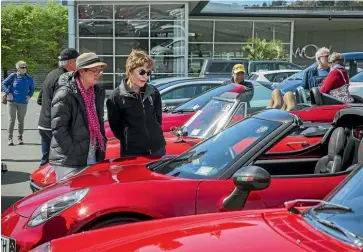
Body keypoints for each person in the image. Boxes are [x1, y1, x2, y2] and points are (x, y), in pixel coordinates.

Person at [49, 52, 107, 181]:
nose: (98, 74)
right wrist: (74, 151)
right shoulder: (65, 94)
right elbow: (59, 129)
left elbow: (99, 122)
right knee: (72, 198)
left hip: (90, 155)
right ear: (81, 71)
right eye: (94, 70)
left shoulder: (97, 92)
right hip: (69, 160)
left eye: (100, 70)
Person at [107, 49, 166, 157]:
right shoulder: (116, 97)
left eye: (148, 73)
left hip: (157, 148)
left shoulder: (153, 92)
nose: (146, 77)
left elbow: (158, 119)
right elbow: (116, 128)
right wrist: (132, 140)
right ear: (130, 70)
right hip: (132, 153)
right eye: (142, 72)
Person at [37, 48, 79, 167]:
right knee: (60, 161)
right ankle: (52, 184)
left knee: (45, 161)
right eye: (78, 61)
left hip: (43, 124)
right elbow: (64, 104)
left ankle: (41, 182)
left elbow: (40, 99)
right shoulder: (66, 77)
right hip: (55, 125)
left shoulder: (51, 74)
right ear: (71, 62)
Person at [1, 61, 34, 145]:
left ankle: (20, 137)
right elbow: (3, 84)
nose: (24, 69)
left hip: (23, 102)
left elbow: (32, 89)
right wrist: (8, 92)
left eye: (25, 67)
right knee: (11, 120)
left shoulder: (29, 78)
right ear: (18, 68)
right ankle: (10, 138)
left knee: (21, 121)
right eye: (22, 67)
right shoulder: (13, 76)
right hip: (12, 102)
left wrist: (29, 96)